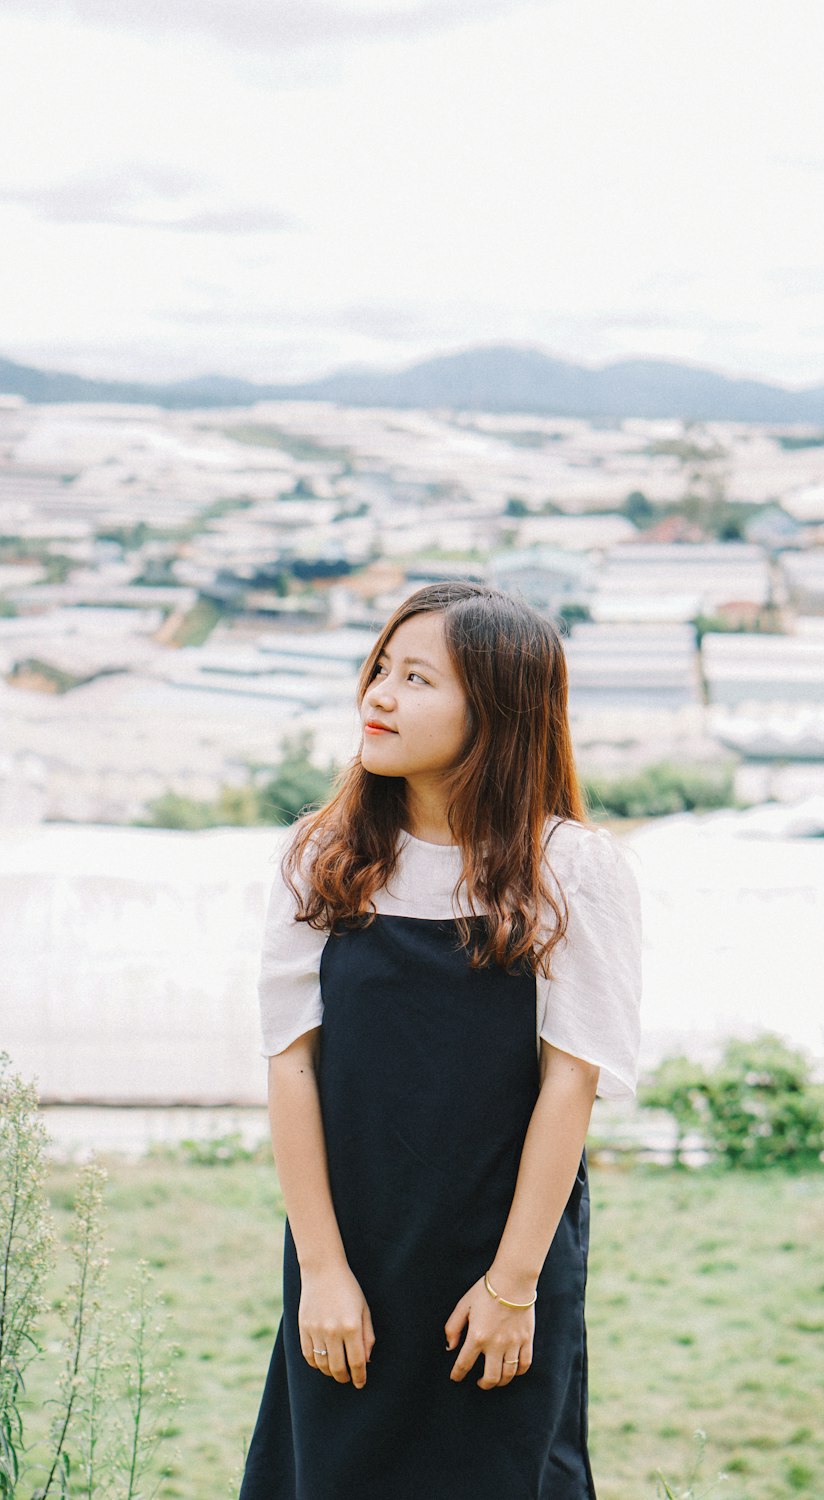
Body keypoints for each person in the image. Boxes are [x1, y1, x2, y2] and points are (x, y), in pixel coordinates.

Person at [239, 581, 642, 1500]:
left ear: (497, 713)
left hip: (501, 1253)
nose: (377, 694)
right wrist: (324, 1273)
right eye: (381, 667)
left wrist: (511, 1287)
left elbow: (568, 1088)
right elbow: (292, 1067)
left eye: (416, 678)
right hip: (351, 1246)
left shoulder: (571, 869)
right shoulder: (320, 856)